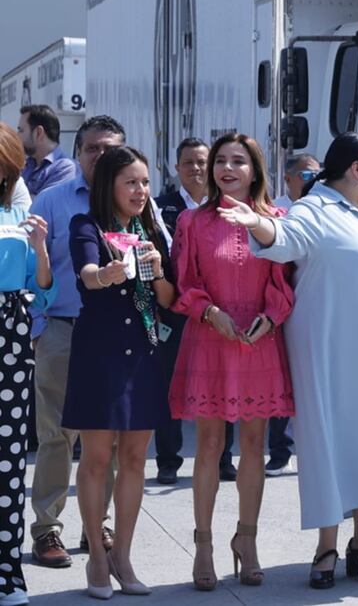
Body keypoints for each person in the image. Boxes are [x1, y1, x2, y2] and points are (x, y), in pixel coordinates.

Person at [220, 132, 358, 589]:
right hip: (332, 356)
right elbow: (284, 239)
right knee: (330, 446)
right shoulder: (315, 208)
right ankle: (327, 546)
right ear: (354, 169)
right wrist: (255, 223)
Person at [168, 133, 294, 590]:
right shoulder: (191, 221)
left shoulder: (275, 219)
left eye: (238, 161)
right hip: (209, 339)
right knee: (207, 446)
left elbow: (284, 282)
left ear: (255, 170)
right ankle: (203, 545)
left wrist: (272, 316)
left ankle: (247, 539)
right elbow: (183, 281)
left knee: (255, 447)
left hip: (258, 341)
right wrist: (209, 311)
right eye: (221, 160)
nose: (227, 168)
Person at [62, 145, 176, 598]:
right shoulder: (86, 225)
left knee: (134, 459)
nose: (141, 191)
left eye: (145, 182)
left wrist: (159, 270)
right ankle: (96, 558)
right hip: (101, 353)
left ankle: (122, 557)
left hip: (146, 352)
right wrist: (109, 274)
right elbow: (88, 274)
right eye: (131, 181)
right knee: (95, 458)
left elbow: (168, 299)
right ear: (108, 184)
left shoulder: (150, 228)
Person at [29, 115, 128, 569]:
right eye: (92, 149)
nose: (101, 157)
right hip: (63, 330)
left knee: (103, 440)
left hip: (113, 339)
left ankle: (97, 524)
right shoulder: (51, 201)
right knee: (55, 437)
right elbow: (31, 271)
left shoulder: (133, 198)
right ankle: (47, 527)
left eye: (110, 149)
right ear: (78, 152)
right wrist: (38, 328)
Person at [153, 137, 238, 485]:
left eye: (203, 162)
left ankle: (223, 460)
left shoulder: (230, 208)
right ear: (177, 168)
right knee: (169, 386)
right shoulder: (161, 208)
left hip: (217, 312)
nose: (197, 169)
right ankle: (168, 461)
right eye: (189, 162)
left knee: (224, 384)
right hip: (175, 310)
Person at [0, 122, 56, 606]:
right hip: (11, 333)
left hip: (11, 335)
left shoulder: (20, 213)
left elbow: (44, 288)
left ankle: (5, 572)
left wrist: (39, 248)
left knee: (9, 457)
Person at [264, 155, 318, 476]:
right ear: (289, 178)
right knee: (282, 381)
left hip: (312, 303)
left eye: (318, 173)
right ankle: (280, 451)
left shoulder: (324, 209)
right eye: (307, 174)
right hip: (282, 304)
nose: (313, 179)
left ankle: (311, 450)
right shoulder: (276, 211)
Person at [17, 105, 77, 197]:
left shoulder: (66, 168)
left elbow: (44, 206)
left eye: (21, 130)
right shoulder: (26, 165)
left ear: (38, 132)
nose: (17, 136)